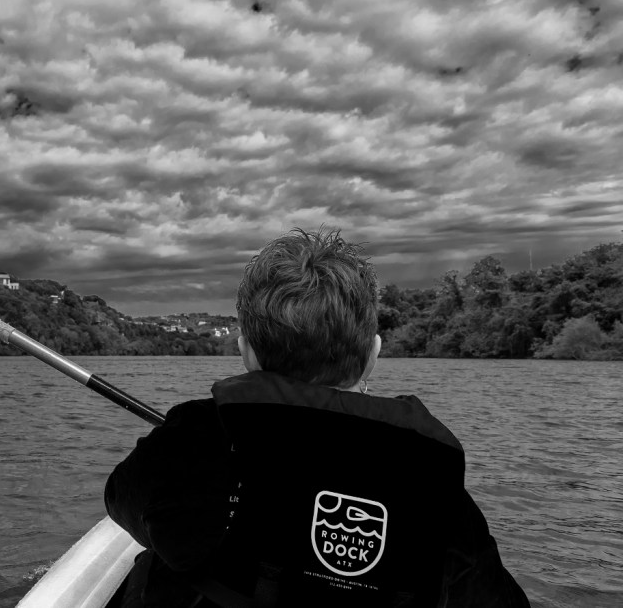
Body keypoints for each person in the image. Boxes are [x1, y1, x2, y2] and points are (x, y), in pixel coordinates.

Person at [104, 228, 530, 607]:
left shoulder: (195, 435)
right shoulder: (431, 475)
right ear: (373, 354)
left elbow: (121, 501)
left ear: (246, 352)